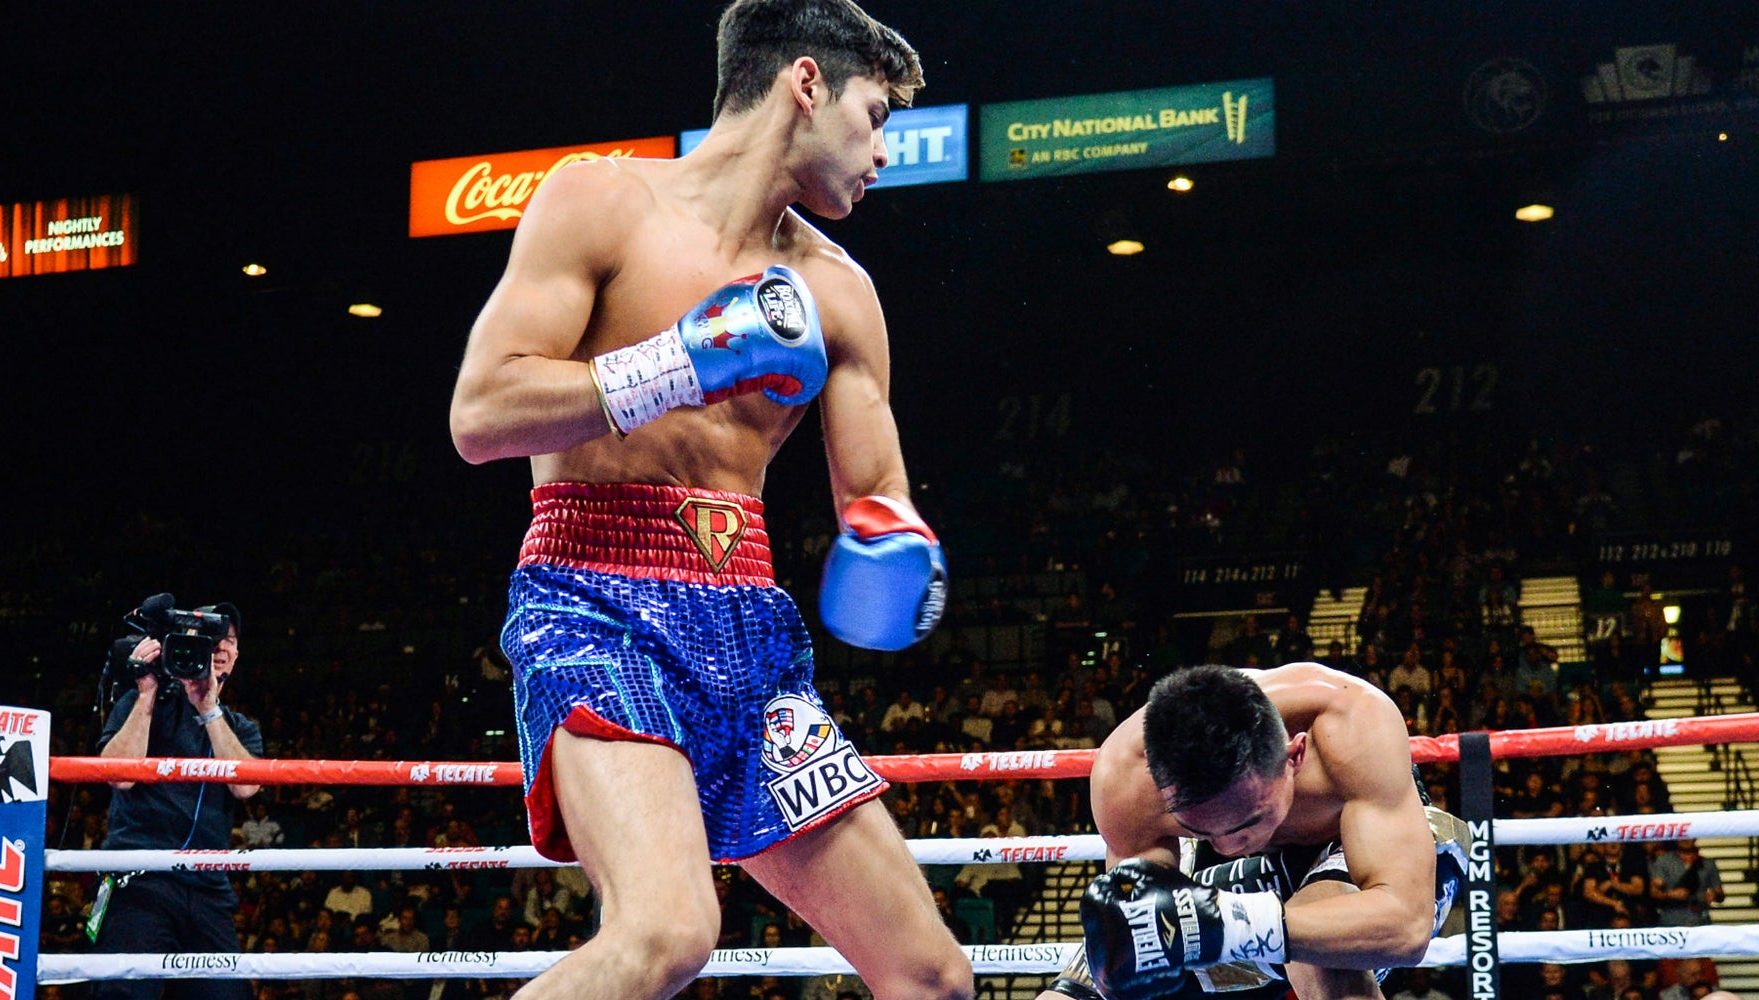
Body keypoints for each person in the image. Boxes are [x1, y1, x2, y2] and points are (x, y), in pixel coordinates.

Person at [447, 2, 966, 998]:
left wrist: (896, 547)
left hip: (751, 630)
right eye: (874, 116)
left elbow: (876, 496)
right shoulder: (602, 201)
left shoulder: (841, 292)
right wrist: (678, 363)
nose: (883, 154)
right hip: (593, 602)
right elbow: (482, 413)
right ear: (805, 83)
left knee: (931, 974)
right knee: (665, 931)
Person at [1042, 664, 1466, 1000]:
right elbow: (1145, 931)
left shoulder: (1350, 722)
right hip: (1253, 878)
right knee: (1085, 984)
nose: (1228, 846)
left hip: (1356, 853)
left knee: (1323, 960)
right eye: (1198, 830)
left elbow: (1406, 926)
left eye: (1248, 820)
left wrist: (1232, 925)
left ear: (1294, 757)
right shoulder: (1126, 780)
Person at [92, 602, 262, 1000]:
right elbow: (118, 775)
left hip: (207, 887)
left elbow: (247, 787)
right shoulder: (141, 703)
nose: (220, 647)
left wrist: (209, 709)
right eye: (211, 639)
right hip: (140, 878)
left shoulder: (239, 728)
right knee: (124, 994)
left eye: (229, 640)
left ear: (236, 655)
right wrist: (146, 694)